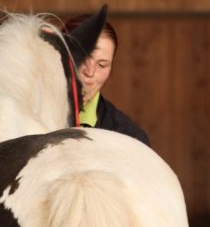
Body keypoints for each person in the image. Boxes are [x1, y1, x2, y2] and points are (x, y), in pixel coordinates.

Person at [63, 14, 150, 146]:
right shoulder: (26, 115)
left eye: (102, 65)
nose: (90, 72)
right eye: (81, 59)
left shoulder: (129, 137)